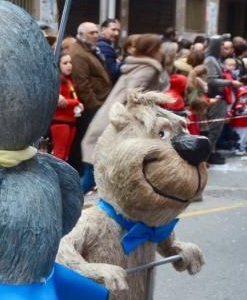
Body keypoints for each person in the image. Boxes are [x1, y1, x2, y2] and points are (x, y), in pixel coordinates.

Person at [82, 33, 167, 168]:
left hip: (110, 118)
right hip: (118, 123)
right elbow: (133, 95)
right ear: (151, 50)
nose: (162, 52)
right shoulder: (148, 68)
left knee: (97, 171)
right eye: (159, 48)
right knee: (96, 174)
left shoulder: (138, 65)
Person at [63, 23, 111, 189]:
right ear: (81, 34)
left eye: (97, 32)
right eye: (92, 32)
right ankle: (82, 178)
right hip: (91, 107)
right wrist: (96, 107)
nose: (96, 35)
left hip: (98, 103)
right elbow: (82, 84)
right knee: (86, 142)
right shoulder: (79, 53)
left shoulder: (89, 50)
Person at [203, 37, 242, 164]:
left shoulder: (216, 59)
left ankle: (212, 151)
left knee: (217, 127)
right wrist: (230, 82)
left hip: (220, 97)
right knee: (214, 126)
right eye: (221, 46)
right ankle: (208, 154)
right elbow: (211, 80)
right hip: (216, 97)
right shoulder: (210, 60)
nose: (223, 48)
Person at [51, 53, 83, 162]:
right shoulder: (56, 81)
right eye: (65, 63)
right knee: (59, 154)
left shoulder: (69, 81)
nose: (69, 65)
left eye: (70, 63)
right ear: (58, 65)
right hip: (60, 121)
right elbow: (59, 100)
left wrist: (77, 104)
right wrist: (76, 103)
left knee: (65, 155)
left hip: (71, 121)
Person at [97, 18, 122, 83]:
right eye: (113, 30)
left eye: (118, 30)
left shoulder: (104, 45)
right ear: (103, 29)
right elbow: (112, 73)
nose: (117, 33)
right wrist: (120, 62)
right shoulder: (104, 47)